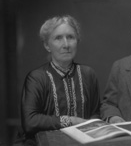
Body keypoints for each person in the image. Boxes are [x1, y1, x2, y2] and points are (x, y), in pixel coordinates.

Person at [21, 15, 100, 143]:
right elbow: (30, 122)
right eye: (58, 38)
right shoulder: (36, 77)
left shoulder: (88, 74)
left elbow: (95, 113)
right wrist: (70, 120)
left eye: (70, 37)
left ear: (77, 41)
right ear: (47, 45)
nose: (66, 44)